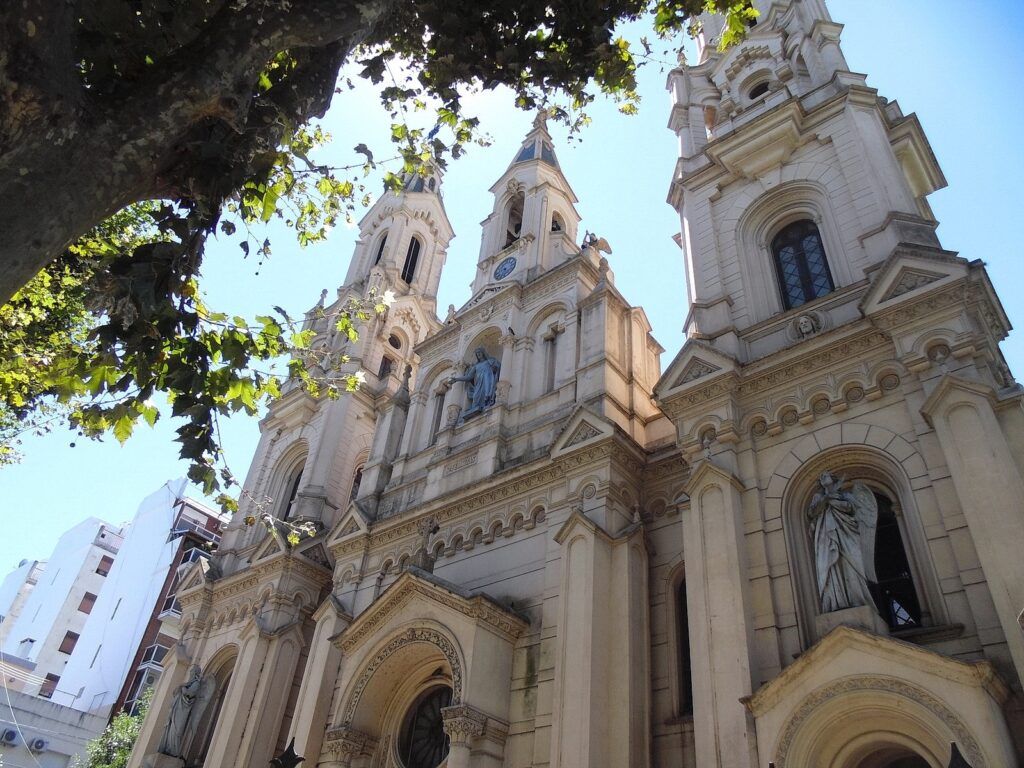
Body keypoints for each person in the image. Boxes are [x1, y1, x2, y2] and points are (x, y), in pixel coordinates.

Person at [807, 471, 878, 613]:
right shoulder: (818, 497)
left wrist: (832, 499)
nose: (822, 478)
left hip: (846, 534)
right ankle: (835, 603)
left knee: (852, 566)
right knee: (831, 569)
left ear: (833, 479)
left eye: (825, 476)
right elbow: (812, 512)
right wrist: (827, 498)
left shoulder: (845, 495)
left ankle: (858, 601)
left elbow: (851, 508)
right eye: (821, 477)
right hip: (826, 537)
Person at [450, 347, 500, 418]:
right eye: (477, 354)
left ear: (483, 353)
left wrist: (494, 368)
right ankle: (476, 408)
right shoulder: (476, 366)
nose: (478, 354)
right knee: (476, 396)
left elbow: (497, 367)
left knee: (487, 393)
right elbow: (468, 377)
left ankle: (487, 404)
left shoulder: (490, 361)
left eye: (479, 353)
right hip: (479, 384)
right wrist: (456, 379)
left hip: (488, 380)